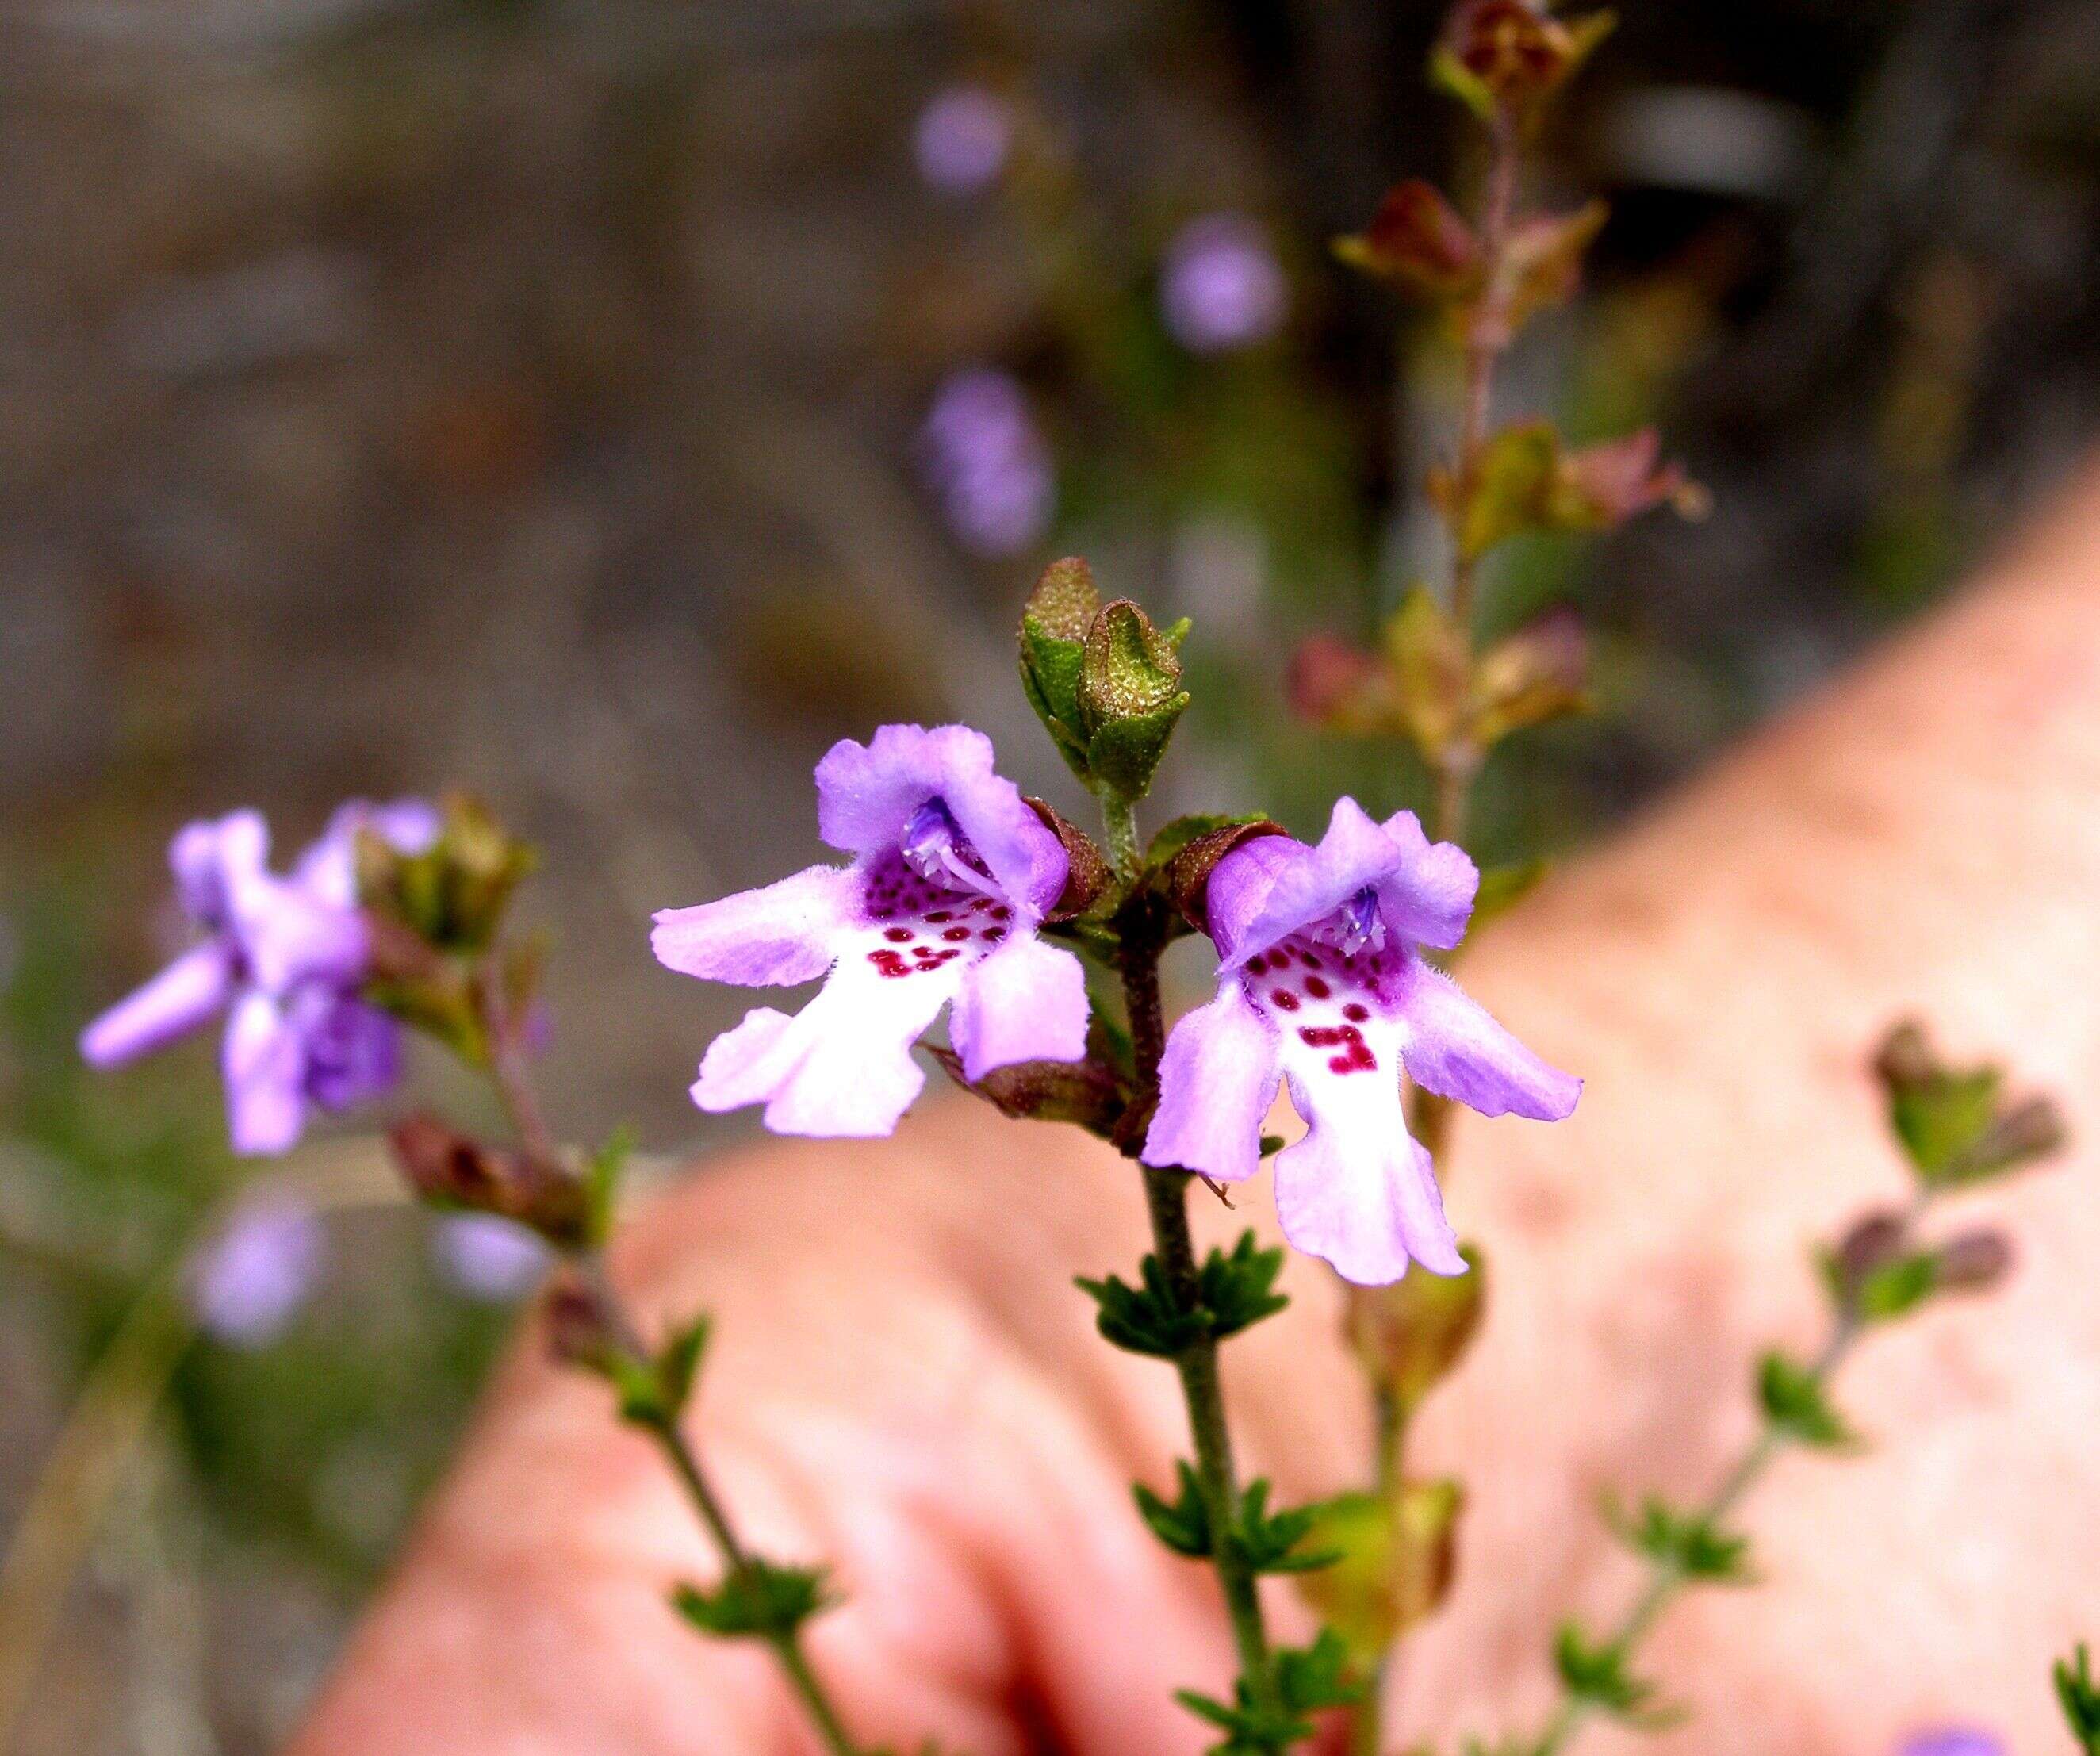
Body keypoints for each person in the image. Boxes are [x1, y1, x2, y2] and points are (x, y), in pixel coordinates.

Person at [287, 462, 2100, 1755]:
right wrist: (995, 930)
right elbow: (932, 933)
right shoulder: (1017, 942)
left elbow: (1388, 1003)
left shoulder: (1286, 988)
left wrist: (1283, 974)